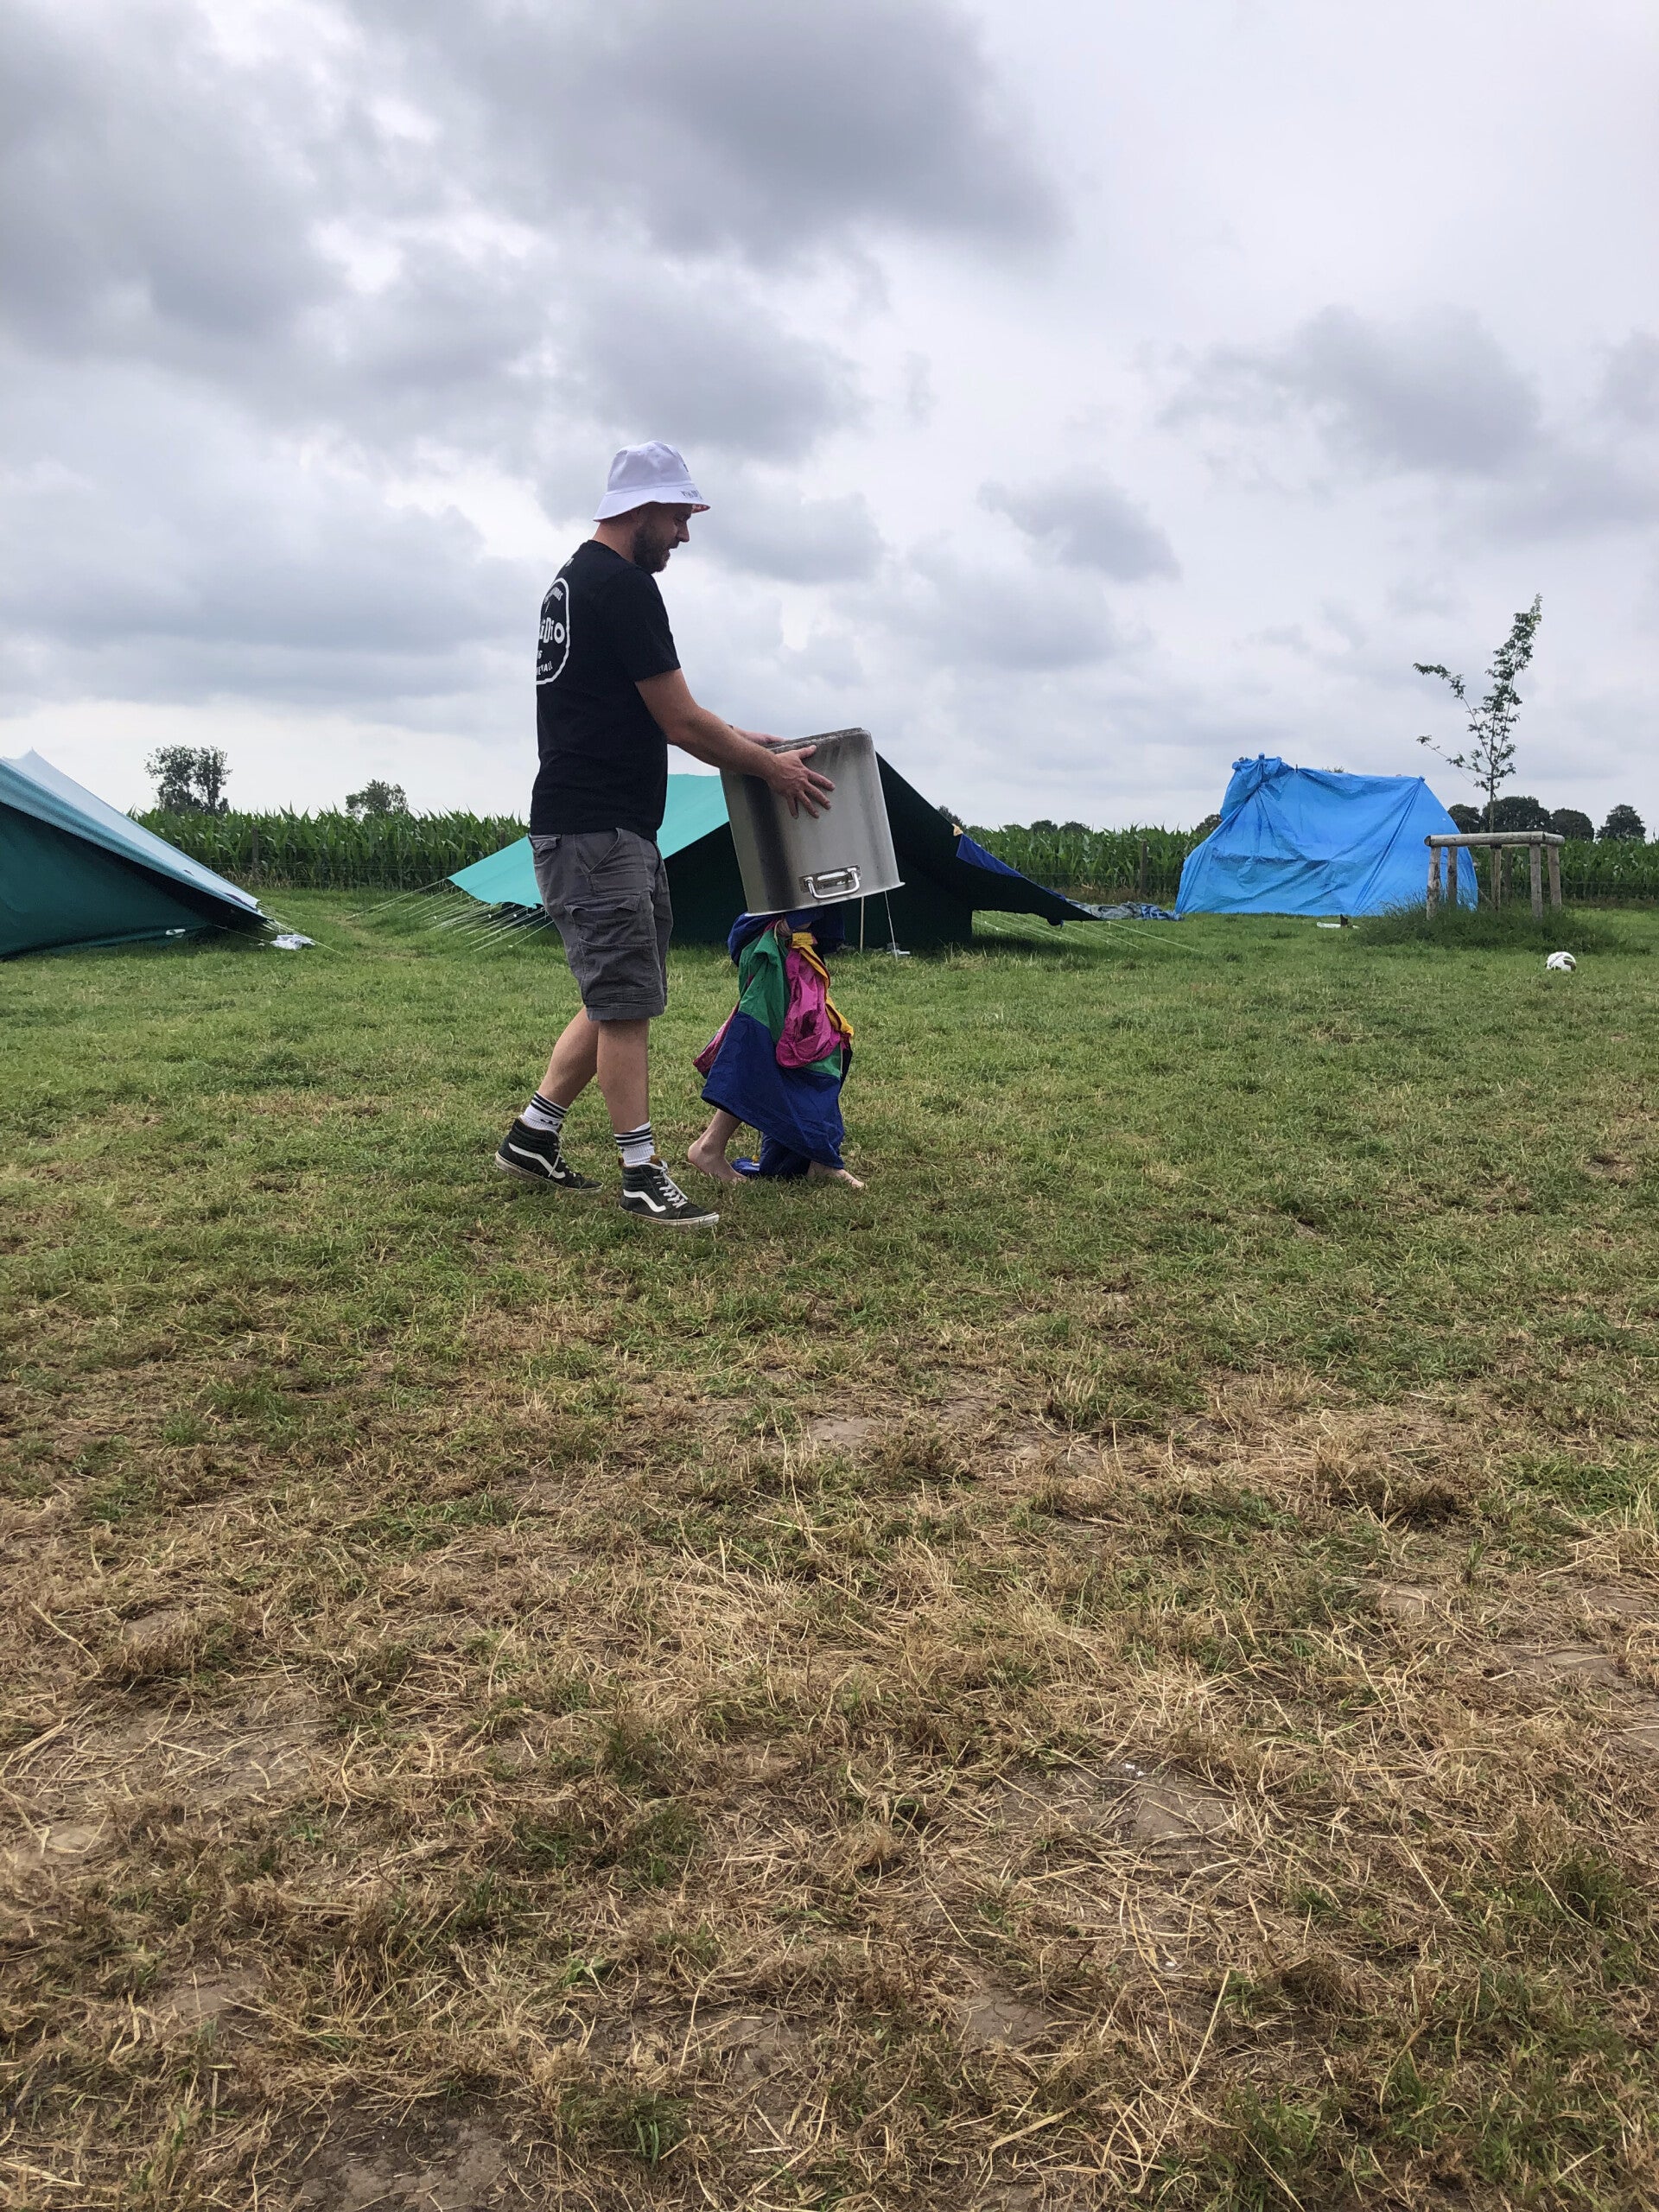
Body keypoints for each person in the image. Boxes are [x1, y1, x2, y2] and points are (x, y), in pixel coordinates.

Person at [494, 442, 832, 1226]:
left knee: (617, 993)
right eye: (679, 516)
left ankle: (534, 1134)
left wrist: (744, 741)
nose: (684, 533)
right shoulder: (623, 587)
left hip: (599, 827)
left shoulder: (573, 582)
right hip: (598, 833)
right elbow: (679, 721)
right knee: (624, 1005)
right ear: (641, 510)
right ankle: (642, 1175)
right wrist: (771, 771)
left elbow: (651, 706)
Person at [687, 905, 864, 1189]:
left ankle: (819, 1160)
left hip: (797, 945)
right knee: (776, 1053)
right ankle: (709, 1147)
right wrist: (788, 925)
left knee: (815, 1050)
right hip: (776, 947)